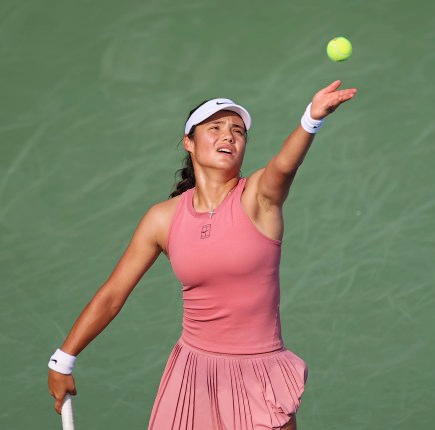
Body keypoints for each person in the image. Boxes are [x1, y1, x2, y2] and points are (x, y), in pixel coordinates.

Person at [47, 80, 357, 429]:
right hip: (193, 376)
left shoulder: (259, 197)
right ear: (189, 143)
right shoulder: (162, 219)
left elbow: (284, 166)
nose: (229, 136)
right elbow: (113, 294)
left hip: (258, 376)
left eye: (238, 131)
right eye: (215, 128)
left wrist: (311, 119)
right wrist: (63, 359)